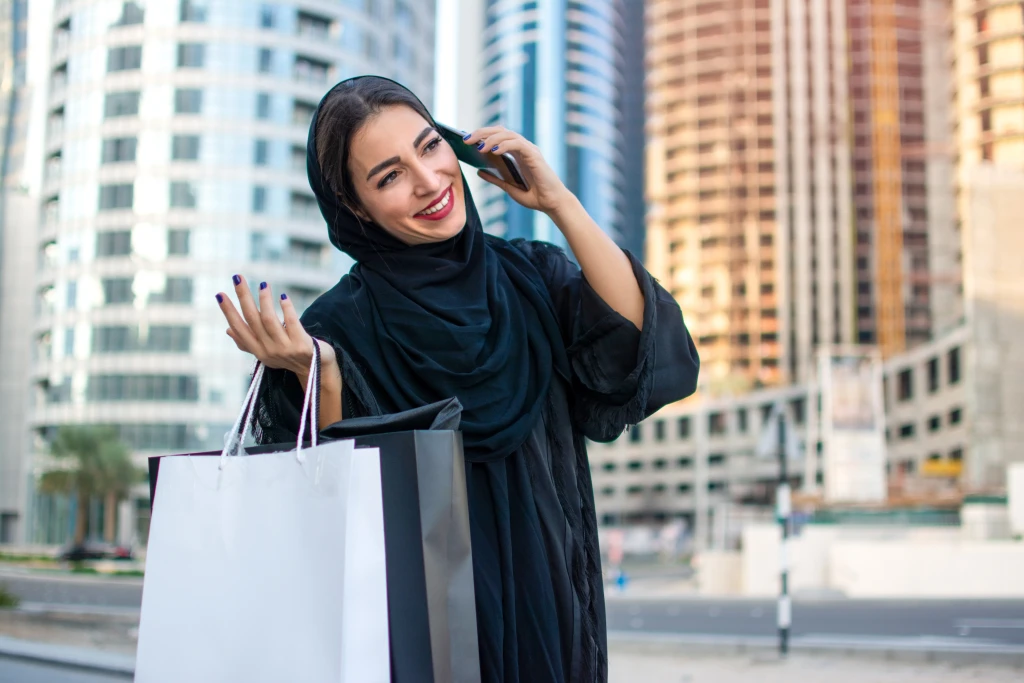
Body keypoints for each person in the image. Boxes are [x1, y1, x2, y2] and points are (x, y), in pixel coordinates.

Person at [216, 75, 699, 683]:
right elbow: (333, 524)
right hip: (418, 644)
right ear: (355, 209)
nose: (427, 181)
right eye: (388, 176)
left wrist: (560, 203)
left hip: (550, 624)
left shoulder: (528, 277)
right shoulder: (333, 331)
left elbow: (643, 352)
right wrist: (323, 377)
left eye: (429, 147)